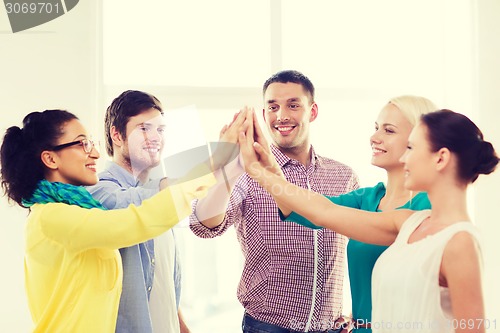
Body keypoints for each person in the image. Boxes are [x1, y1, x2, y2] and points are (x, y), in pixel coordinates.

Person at [239, 109, 498, 333]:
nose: (404, 157)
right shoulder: (407, 222)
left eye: (411, 148)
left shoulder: (460, 243)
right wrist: (261, 171)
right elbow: (323, 211)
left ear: (440, 158)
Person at [0, 109, 235, 332]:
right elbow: (139, 220)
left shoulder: (78, 210)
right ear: (51, 159)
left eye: (91, 143)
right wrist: (213, 163)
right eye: (83, 144)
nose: (95, 153)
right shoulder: (52, 217)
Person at [190, 70, 360, 333]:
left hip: (332, 328)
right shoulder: (248, 174)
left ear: (312, 112)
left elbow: (361, 247)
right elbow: (203, 224)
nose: (282, 116)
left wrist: (356, 312)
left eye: (293, 105)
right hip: (267, 327)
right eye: (273, 107)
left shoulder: (343, 176)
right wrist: (231, 169)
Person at [286, 95, 437, 332]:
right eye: (376, 128)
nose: (374, 138)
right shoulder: (367, 198)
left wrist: (263, 172)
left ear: (418, 140)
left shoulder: (427, 208)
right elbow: (306, 210)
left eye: (388, 130)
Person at [86, 90, 189, 333]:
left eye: (160, 130)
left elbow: (163, 278)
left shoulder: (159, 194)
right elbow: (132, 204)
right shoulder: (99, 191)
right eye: (144, 128)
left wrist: (182, 327)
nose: (155, 137)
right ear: (116, 134)